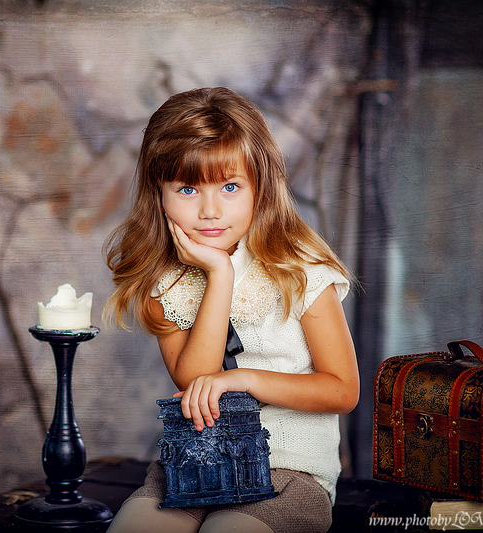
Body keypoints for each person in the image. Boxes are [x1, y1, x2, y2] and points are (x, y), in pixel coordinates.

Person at [102, 87, 359, 533]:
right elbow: (193, 378)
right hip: (193, 467)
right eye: (187, 189)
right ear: (158, 194)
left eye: (230, 186)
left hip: (289, 472)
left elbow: (342, 390)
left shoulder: (300, 269)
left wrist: (243, 379)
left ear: (261, 186)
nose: (210, 210)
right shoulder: (165, 282)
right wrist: (219, 275)